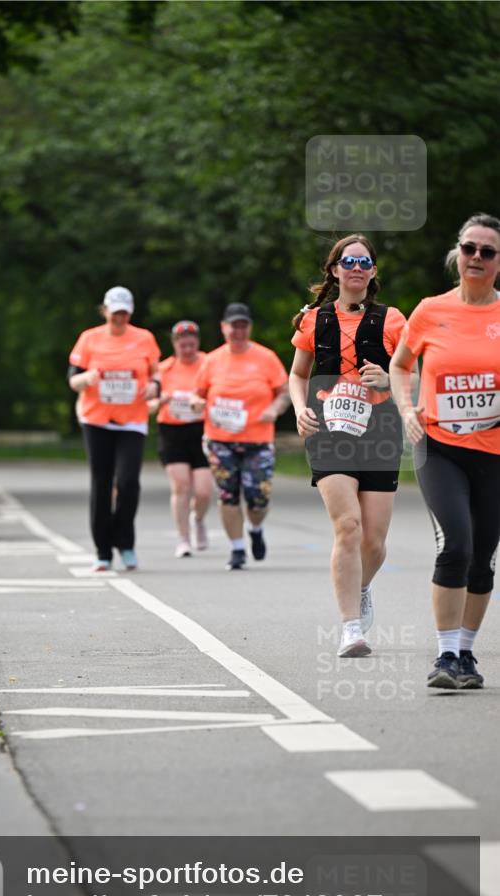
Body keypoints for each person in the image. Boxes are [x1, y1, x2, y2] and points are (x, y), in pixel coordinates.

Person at [390, 213, 500, 690]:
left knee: (483, 556)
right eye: (470, 248)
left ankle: (468, 654)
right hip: (439, 446)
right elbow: (400, 365)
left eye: (487, 252)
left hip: (493, 452)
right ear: (458, 253)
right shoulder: (430, 310)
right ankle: (445, 655)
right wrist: (407, 410)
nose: (476, 258)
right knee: (456, 542)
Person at [289, 235, 407, 657]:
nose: (356, 267)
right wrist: (300, 407)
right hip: (329, 429)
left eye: (364, 261)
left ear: (373, 271)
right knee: (348, 527)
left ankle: (360, 588)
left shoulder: (393, 320)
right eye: (348, 261)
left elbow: (414, 375)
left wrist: (389, 382)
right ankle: (350, 629)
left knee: (373, 542)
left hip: (380, 430)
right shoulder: (314, 320)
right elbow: (299, 374)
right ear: (335, 270)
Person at [191, 303, 291, 570]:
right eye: (233, 325)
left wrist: (275, 408)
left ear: (249, 328)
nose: (238, 331)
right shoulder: (211, 360)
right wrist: (196, 404)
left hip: (258, 439)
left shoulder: (266, 358)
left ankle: (255, 528)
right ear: (224, 327)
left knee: (258, 497)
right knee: (228, 494)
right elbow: (197, 395)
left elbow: (285, 391)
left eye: (243, 325)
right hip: (219, 438)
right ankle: (237, 549)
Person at [68, 286, 161, 571]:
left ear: (129, 313)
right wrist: (88, 378)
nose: (119, 318)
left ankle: (126, 542)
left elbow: (157, 375)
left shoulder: (144, 338)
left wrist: (153, 387)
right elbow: (73, 380)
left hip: (132, 420)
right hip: (96, 419)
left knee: (129, 481)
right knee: (102, 482)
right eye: (114, 313)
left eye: (124, 313)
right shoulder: (89, 338)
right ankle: (103, 551)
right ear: (105, 311)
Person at [148, 320, 213, 557]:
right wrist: (161, 400)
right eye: (183, 345)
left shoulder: (208, 363)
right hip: (172, 431)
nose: (187, 350)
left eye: (192, 345)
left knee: (204, 491)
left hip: (202, 429)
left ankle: (198, 519)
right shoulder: (164, 370)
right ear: (174, 344)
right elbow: (149, 406)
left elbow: (219, 391)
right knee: (181, 486)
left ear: (198, 342)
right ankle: (183, 539)